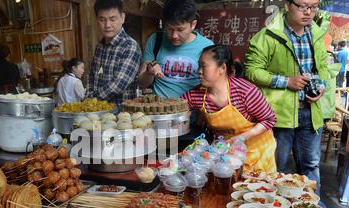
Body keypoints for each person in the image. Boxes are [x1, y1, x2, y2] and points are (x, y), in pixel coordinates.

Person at [245, 0, 331, 194]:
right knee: (276, 166)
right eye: (302, 6)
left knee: (310, 165)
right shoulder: (268, 35)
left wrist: (320, 87)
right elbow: (251, 71)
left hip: (310, 112)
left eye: (313, 6)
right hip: (279, 114)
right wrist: (286, 82)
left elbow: (322, 67)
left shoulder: (316, 34)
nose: (308, 12)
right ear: (287, 5)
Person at [182, 45, 277, 173]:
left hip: (258, 151)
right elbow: (176, 108)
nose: (199, 71)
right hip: (228, 154)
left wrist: (242, 137)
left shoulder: (245, 91)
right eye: (199, 66)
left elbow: (270, 119)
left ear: (222, 68)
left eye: (204, 66)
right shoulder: (196, 95)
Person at [139, 0, 214, 98]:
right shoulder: (156, 40)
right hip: (159, 108)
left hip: (193, 109)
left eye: (180, 29)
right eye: (169, 29)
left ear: (193, 25)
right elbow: (142, 84)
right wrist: (149, 72)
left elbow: (212, 85)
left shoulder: (207, 47)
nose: (174, 35)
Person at [85, 0, 142, 106]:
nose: (107, 25)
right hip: (98, 112)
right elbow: (92, 76)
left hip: (122, 115)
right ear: (97, 19)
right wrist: (88, 97)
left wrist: (91, 100)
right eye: (102, 19)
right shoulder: (100, 47)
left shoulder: (130, 46)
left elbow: (119, 84)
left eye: (112, 19)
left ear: (122, 18)